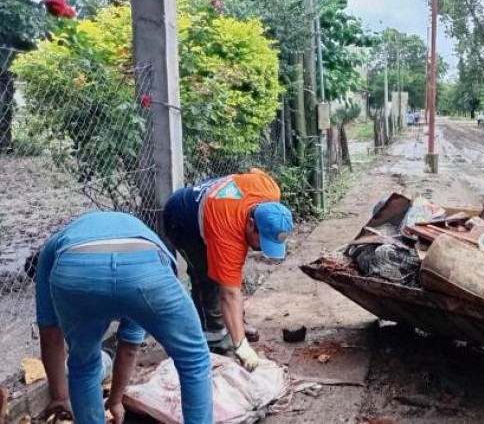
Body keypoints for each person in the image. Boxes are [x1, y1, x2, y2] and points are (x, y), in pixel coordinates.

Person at [34, 211, 213, 424]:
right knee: (193, 358)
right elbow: (129, 348)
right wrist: (116, 400)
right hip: (144, 268)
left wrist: (61, 398)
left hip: (76, 269)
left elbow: (50, 335)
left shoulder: (53, 245)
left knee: (83, 365)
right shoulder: (144, 234)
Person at [163, 168, 293, 371]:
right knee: (208, 280)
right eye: (262, 242)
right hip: (181, 220)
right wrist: (241, 347)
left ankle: (235, 325)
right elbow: (229, 294)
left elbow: (253, 172)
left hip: (215, 211)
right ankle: (215, 341)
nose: (261, 249)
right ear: (250, 224)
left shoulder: (269, 189)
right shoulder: (227, 234)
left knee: (227, 274)